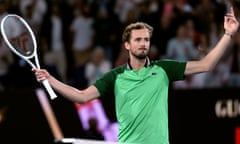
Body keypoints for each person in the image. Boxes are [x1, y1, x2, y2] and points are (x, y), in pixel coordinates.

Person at [32, 7, 239, 144]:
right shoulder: (115, 76)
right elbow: (82, 96)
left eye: (146, 40)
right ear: (128, 45)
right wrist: (51, 80)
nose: (143, 44)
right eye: (138, 40)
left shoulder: (164, 69)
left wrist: (228, 34)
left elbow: (207, 64)